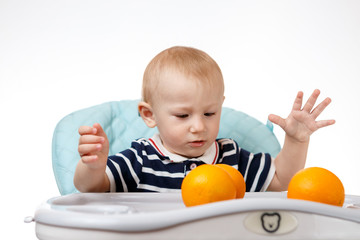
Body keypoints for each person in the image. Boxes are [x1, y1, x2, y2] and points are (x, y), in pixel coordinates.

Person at [74, 46, 335, 193]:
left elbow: (281, 183)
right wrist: (94, 167)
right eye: (182, 115)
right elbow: (91, 188)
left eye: (210, 113)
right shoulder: (142, 158)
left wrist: (296, 140)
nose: (199, 126)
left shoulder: (230, 156)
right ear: (149, 115)